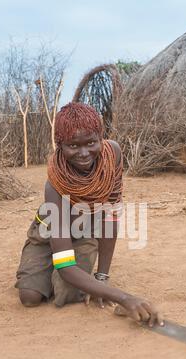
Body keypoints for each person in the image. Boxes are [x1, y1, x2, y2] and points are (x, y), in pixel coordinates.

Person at [15, 102, 164, 327]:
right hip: (51, 230)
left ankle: (71, 269)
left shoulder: (112, 154)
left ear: (101, 138)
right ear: (60, 145)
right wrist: (124, 298)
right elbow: (65, 266)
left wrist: (102, 279)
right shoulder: (54, 186)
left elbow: (111, 214)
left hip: (85, 229)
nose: (84, 153)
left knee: (67, 294)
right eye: (73, 145)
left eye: (91, 143)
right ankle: (39, 260)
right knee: (30, 297)